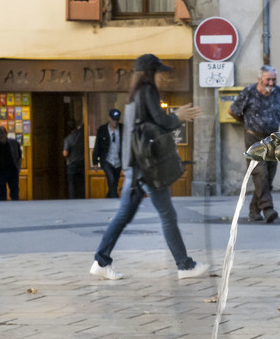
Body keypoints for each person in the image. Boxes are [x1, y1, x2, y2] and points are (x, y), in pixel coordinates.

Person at [89, 53, 208, 281]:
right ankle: (184, 265)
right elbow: (160, 121)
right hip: (146, 166)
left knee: (125, 215)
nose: (162, 78)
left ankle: (101, 260)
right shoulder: (148, 91)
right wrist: (178, 115)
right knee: (167, 214)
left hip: (136, 165)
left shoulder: (134, 94)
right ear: (150, 73)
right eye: (160, 73)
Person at [228, 65, 280, 222]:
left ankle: (254, 211)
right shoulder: (249, 92)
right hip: (253, 138)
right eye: (268, 79)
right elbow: (232, 111)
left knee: (268, 177)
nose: (271, 82)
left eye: (273, 79)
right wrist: (247, 124)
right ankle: (268, 209)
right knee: (260, 172)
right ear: (260, 79)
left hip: (273, 139)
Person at [0, 126, 23, 201]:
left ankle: (15, 208)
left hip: (12, 171)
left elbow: (19, 156)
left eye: (2, 133)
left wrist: (18, 168)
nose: (1, 135)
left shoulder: (14, 143)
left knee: (14, 192)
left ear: (6, 133)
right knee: (1, 194)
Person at [94, 108, 123, 199]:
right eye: (113, 119)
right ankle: (115, 199)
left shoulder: (123, 128)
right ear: (109, 118)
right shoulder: (102, 130)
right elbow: (97, 145)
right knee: (111, 178)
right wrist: (95, 161)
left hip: (118, 161)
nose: (115, 122)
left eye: (117, 120)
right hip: (107, 160)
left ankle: (108, 198)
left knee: (115, 181)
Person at [63, 122, 86, 199]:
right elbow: (83, 127)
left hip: (72, 163)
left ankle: (72, 199)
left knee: (72, 183)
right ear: (76, 126)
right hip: (81, 162)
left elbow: (65, 153)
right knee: (81, 182)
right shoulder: (81, 134)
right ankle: (82, 197)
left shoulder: (68, 139)